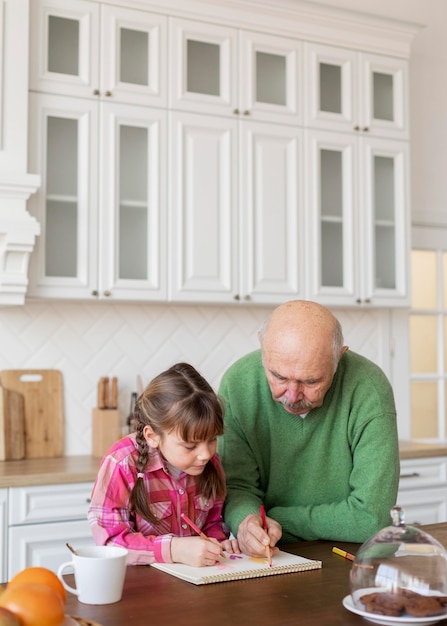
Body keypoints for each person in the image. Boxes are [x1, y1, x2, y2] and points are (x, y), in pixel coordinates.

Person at [217, 300, 400, 558]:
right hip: (272, 555)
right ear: (262, 347)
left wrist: (275, 519)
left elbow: (372, 518)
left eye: (311, 380)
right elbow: (237, 488)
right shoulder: (237, 384)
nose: (292, 396)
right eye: (278, 377)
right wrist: (246, 523)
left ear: (339, 356)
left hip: (349, 557)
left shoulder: (370, 388)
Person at [88, 362, 239, 566]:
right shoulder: (121, 463)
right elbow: (109, 543)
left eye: (212, 439)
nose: (205, 454)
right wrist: (173, 550)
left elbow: (214, 523)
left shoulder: (208, 461)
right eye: (190, 446)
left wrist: (218, 544)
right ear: (152, 436)